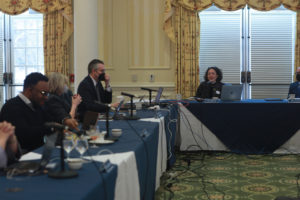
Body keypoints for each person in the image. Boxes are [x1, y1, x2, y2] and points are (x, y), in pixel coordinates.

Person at [0, 72, 51, 153]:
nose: (46, 97)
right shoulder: (11, 107)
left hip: (39, 152)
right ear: (30, 90)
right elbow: (24, 135)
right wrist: (50, 128)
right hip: (22, 157)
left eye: (47, 94)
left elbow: (49, 121)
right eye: (43, 93)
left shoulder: (37, 105)